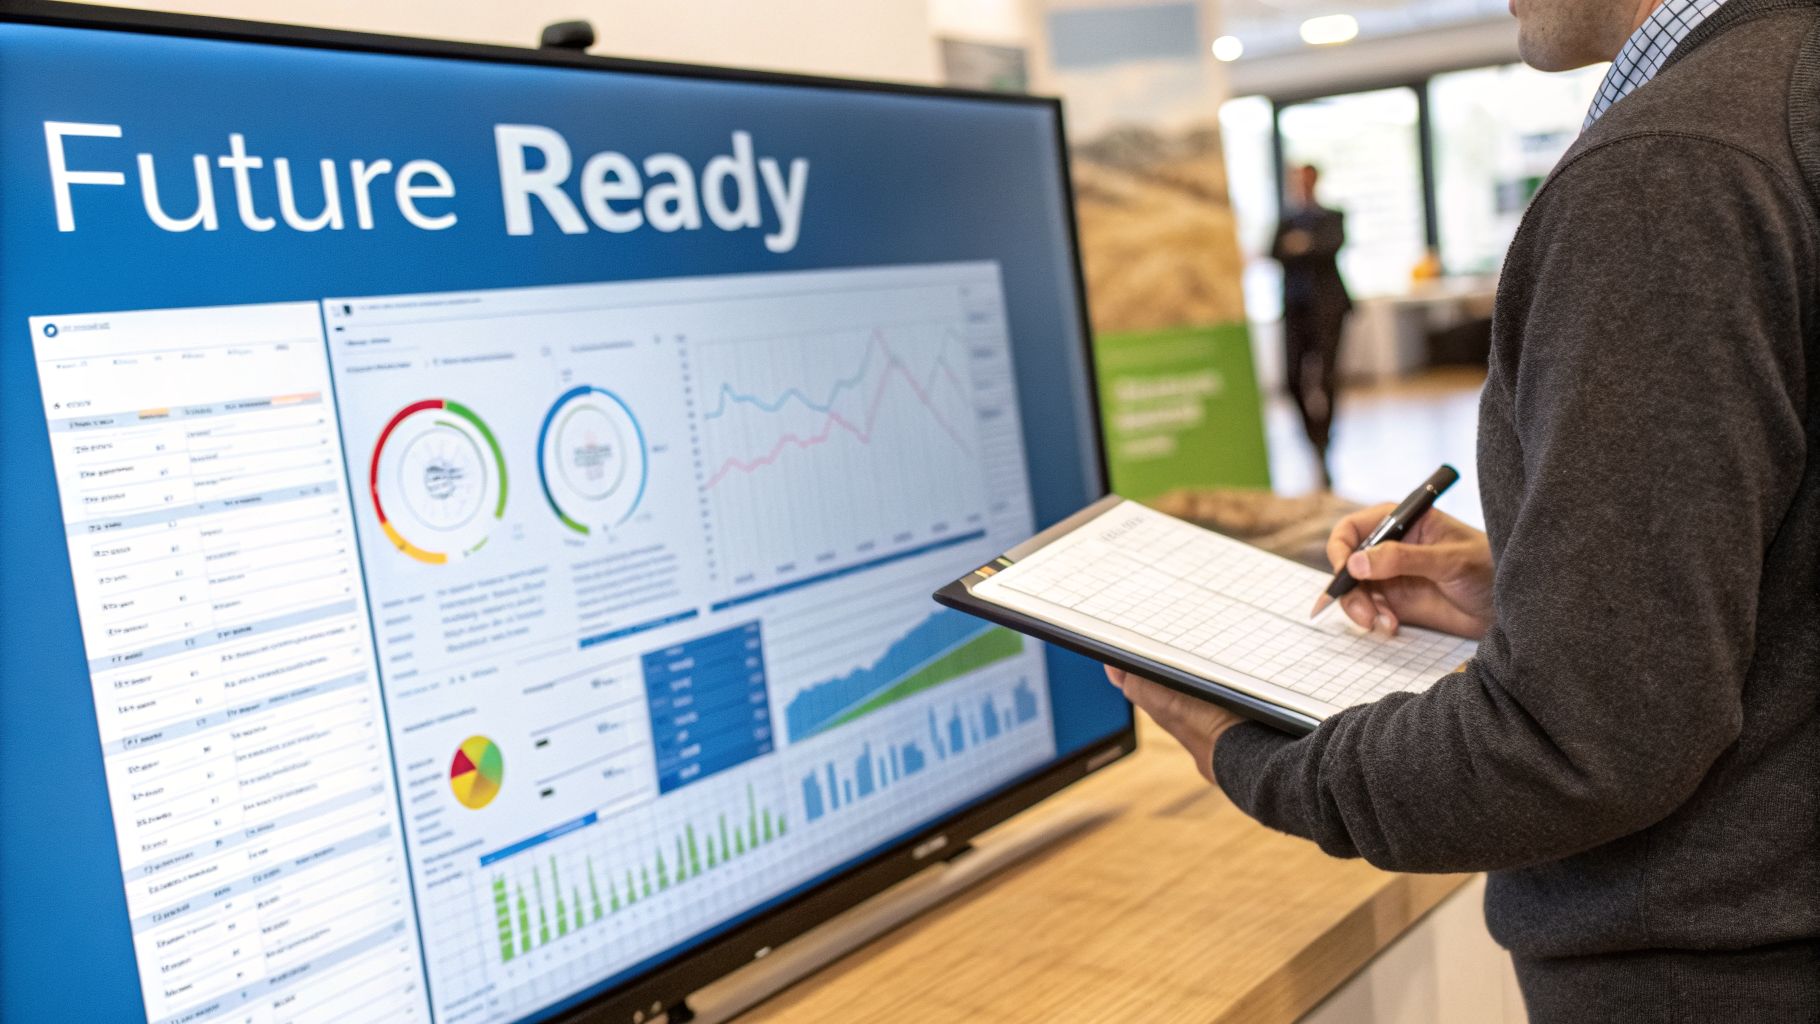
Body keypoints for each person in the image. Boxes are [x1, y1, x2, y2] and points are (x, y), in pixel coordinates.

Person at [1107, 0, 1820, 1018]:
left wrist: (1248, 751)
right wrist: (1545, 592)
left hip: (1706, 974)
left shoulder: (1669, 166)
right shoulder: (1781, 94)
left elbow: (1574, 746)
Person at [1270, 165, 1352, 489]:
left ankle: (1324, 442)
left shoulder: (1331, 216)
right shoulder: (1286, 220)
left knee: (1326, 378)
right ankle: (1314, 438)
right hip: (1295, 310)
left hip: (1328, 310)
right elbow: (1274, 252)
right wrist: (1304, 245)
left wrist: (1302, 245)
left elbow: (1329, 247)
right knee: (1292, 379)